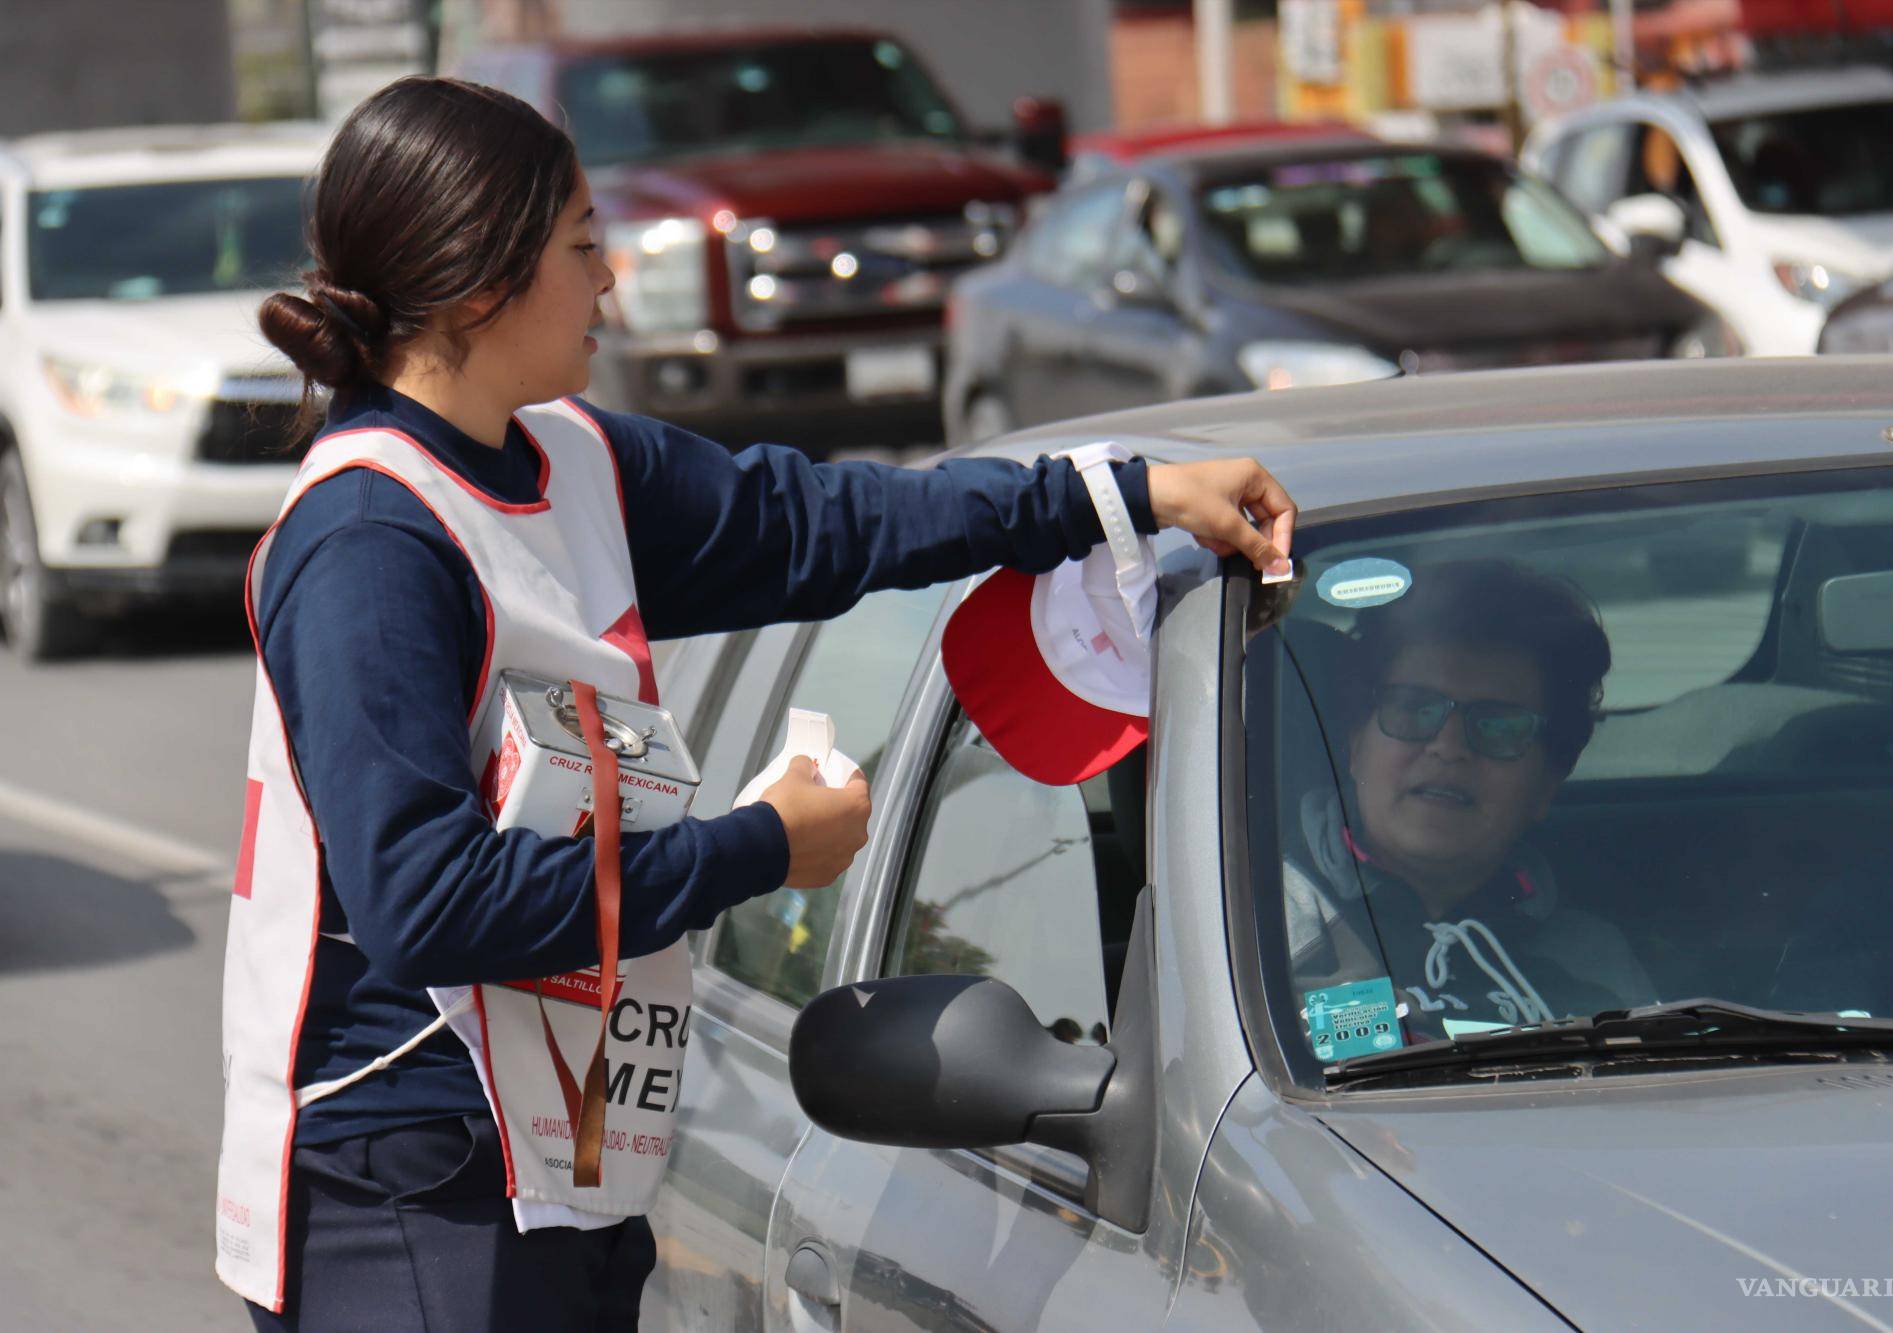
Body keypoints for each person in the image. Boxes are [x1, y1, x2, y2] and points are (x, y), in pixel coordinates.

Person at [217, 76, 1295, 1331]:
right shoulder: (368, 540)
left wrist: (1116, 497)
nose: (610, 279)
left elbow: (821, 521)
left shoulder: (570, 456)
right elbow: (426, 904)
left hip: (564, 1152)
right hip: (408, 1185)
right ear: (475, 285)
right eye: (580, 246)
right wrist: (757, 848)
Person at [1282, 560, 1651, 1043]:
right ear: (1355, 745)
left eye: (1499, 726)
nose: (1449, 746)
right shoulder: (1260, 923)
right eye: (1415, 709)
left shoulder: (1592, 963)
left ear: (1547, 784)